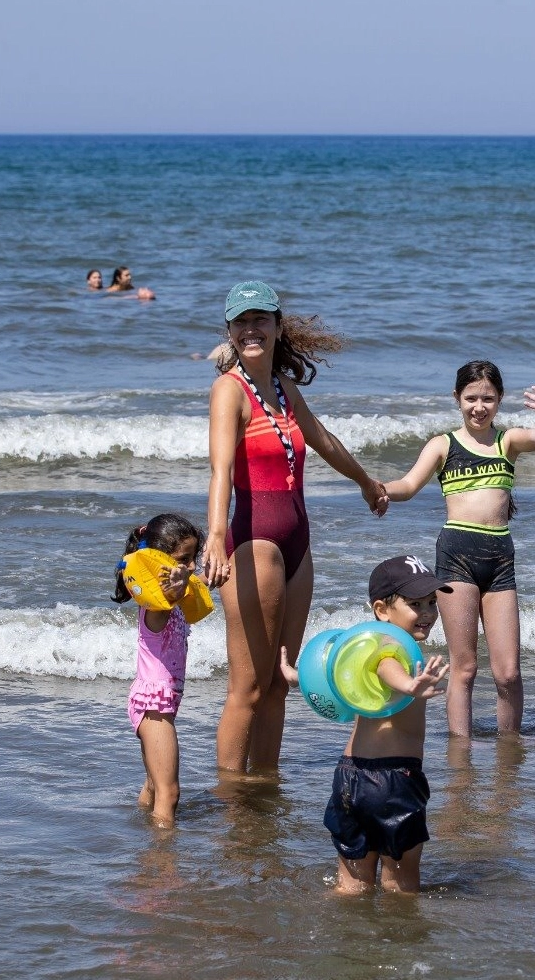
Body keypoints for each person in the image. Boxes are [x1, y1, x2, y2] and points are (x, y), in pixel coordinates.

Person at [203, 280, 391, 776]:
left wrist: (365, 481)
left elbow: (323, 440)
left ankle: (263, 786)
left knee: (279, 683)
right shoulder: (229, 390)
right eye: (241, 321)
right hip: (254, 543)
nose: (251, 329)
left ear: (277, 326)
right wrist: (215, 536)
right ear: (230, 329)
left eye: (260, 319)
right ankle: (230, 795)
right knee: (247, 686)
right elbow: (220, 469)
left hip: (298, 545)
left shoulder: (283, 390)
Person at [382, 361, 535, 738]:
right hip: (457, 555)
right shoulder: (443, 445)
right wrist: (380, 488)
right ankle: (459, 753)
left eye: (488, 398)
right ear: (457, 398)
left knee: (508, 672)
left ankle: (509, 750)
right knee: (464, 668)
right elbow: (408, 484)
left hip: (501, 558)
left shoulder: (508, 441)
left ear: (499, 400)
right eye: (471, 398)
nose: (479, 407)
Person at [279, 556, 451, 893]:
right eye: (415, 603)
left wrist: (297, 678)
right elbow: (386, 666)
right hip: (394, 781)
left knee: (352, 885)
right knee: (400, 888)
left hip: (350, 775)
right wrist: (409, 686)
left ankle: (343, 939)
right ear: (382, 610)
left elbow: (333, 677)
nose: (428, 612)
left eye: (432, 602)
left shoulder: (358, 650)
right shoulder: (392, 649)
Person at [112, 512, 205, 827]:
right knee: (170, 792)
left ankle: (140, 834)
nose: (191, 567)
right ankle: (163, 863)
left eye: (194, 558)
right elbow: (163, 605)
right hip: (154, 708)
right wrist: (175, 592)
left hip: (157, 704)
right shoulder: (155, 608)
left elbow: (194, 585)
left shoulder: (175, 599)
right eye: (184, 559)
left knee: (154, 786)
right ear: (158, 561)